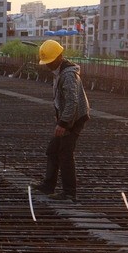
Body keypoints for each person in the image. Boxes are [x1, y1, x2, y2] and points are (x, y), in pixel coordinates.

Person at [31, 39, 90, 202]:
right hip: (66, 117)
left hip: (75, 118)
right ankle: (48, 185)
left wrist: (63, 124)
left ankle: (69, 193)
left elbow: (73, 101)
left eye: (49, 62)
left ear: (58, 57)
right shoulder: (60, 72)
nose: (47, 65)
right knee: (53, 150)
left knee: (65, 153)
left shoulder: (69, 75)